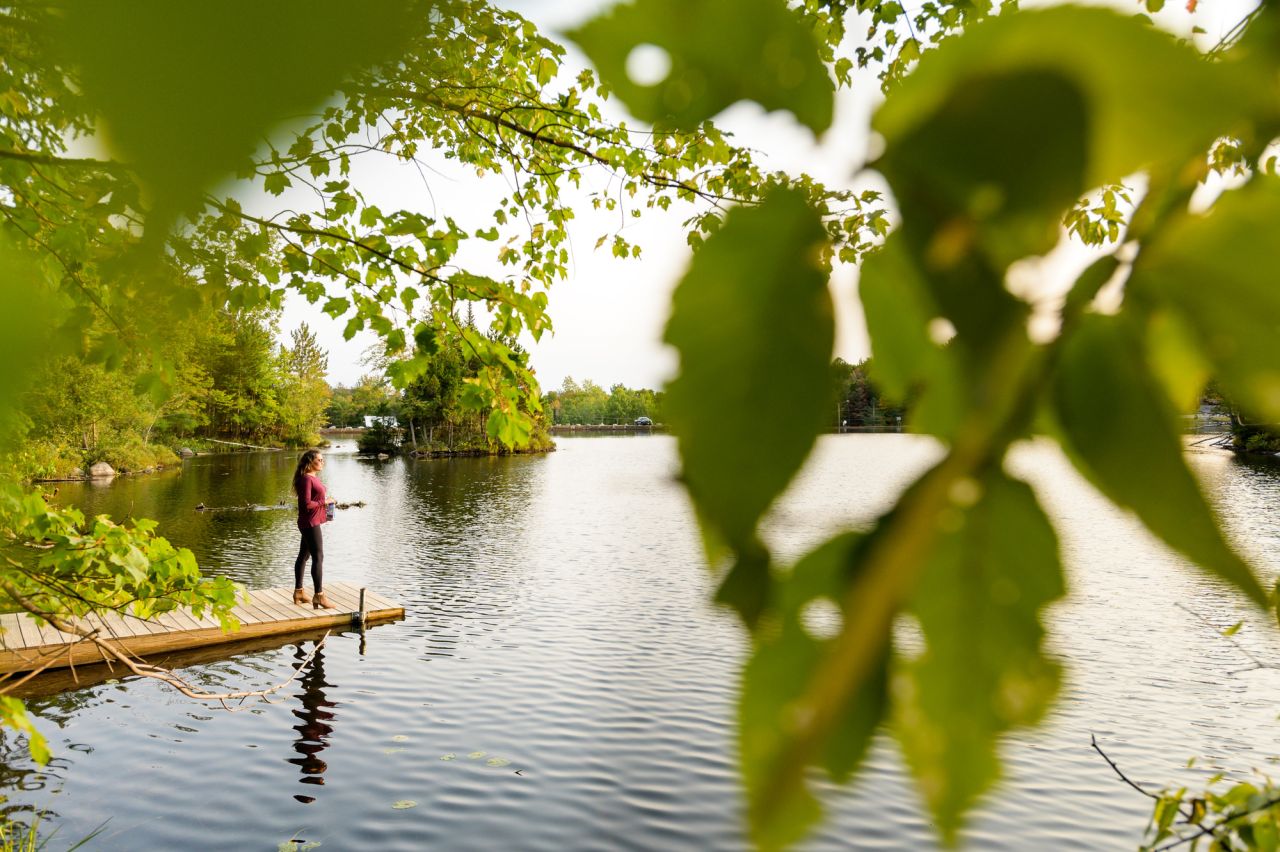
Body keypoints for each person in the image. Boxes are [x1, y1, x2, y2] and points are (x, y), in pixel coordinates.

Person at [292, 449, 336, 609]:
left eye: (323, 459)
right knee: (318, 556)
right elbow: (306, 505)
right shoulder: (306, 479)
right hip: (309, 523)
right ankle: (319, 596)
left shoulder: (312, 477)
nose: (322, 462)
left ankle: (299, 592)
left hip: (311, 522)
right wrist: (324, 502)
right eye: (319, 459)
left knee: (304, 556)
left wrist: (326, 504)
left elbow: (314, 500)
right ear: (310, 462)